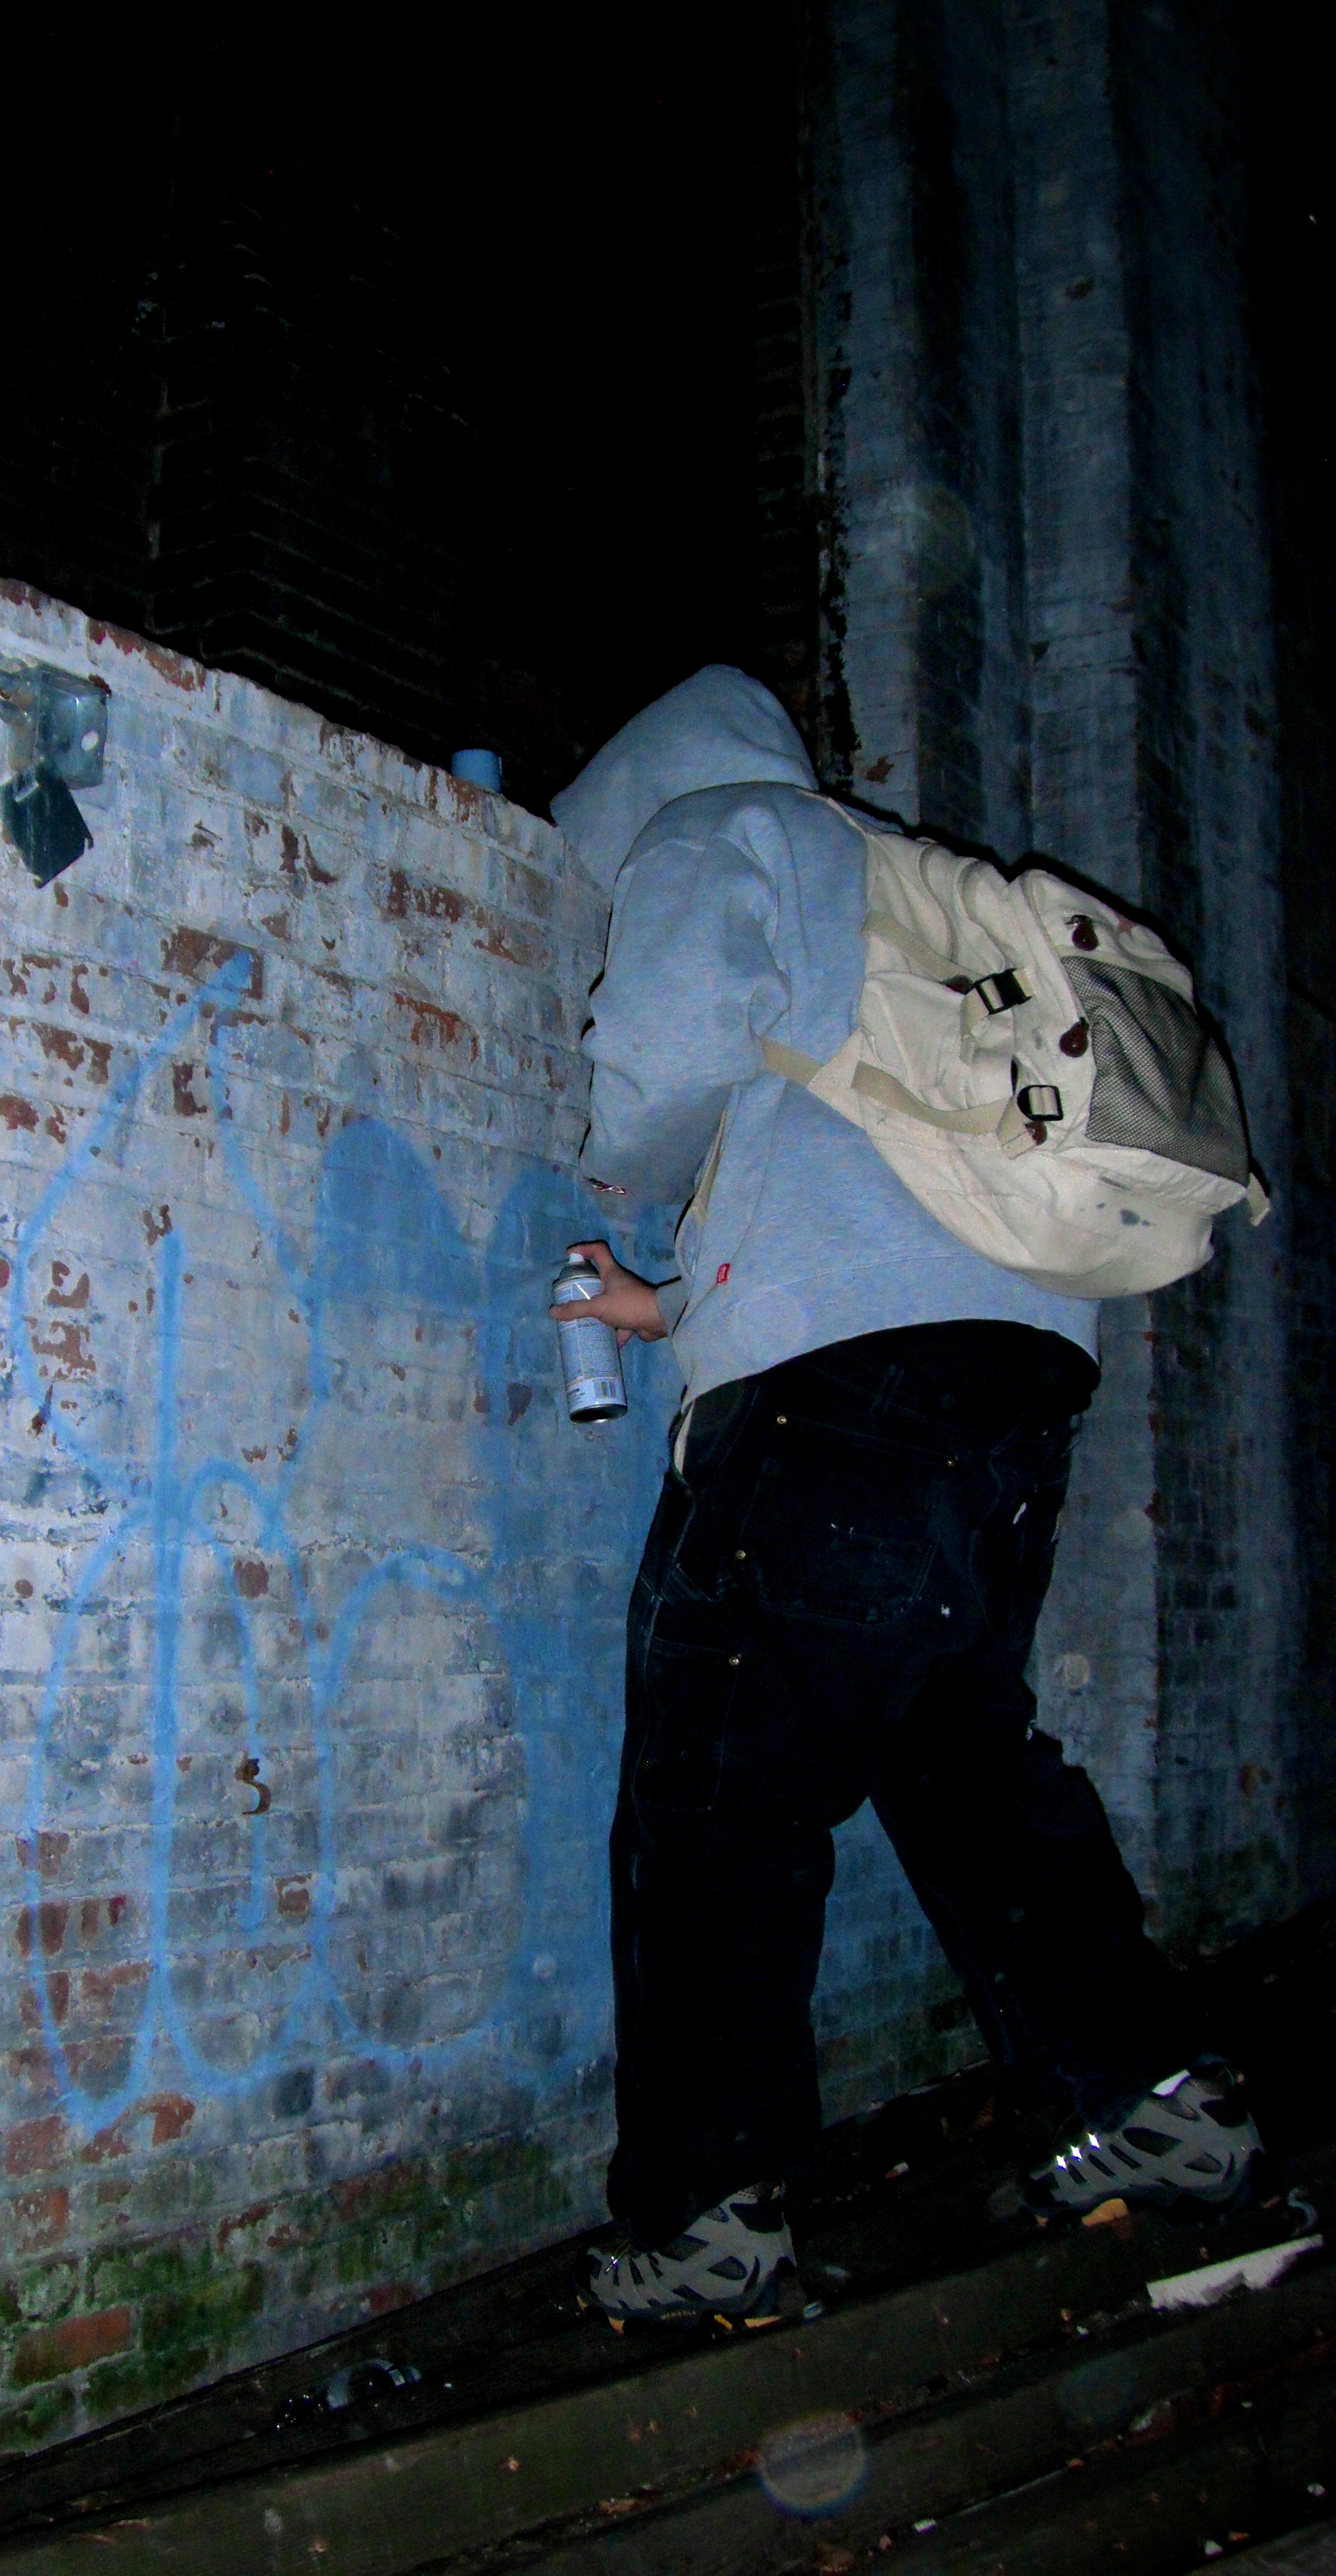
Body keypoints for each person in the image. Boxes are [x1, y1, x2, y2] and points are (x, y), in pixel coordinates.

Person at [549, 667, 1261, 2329]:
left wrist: (608, 1147)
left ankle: (703, 2217)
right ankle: (1153, 2102)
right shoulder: (892, 903)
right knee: (958, 1761)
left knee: (719, 1799)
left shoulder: (730, 830)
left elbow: (654, 1071)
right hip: (1012, 1379)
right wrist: (667, 1309)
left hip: (840, 1401)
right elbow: (870, 1198)